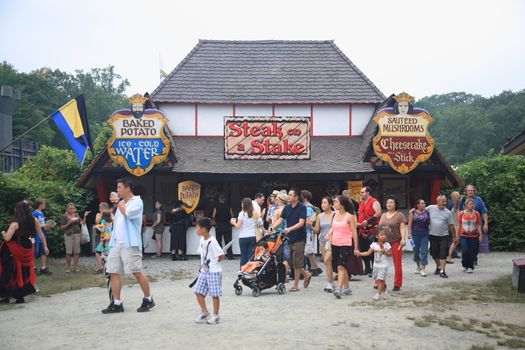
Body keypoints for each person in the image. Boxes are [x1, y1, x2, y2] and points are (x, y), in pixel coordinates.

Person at [101, 178, 155, 314]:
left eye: (119, 187)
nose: (117, 190)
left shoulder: (137, 201)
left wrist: (118, 203)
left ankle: (148, 299)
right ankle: (117, 303)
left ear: (128, 188)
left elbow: (129, 214)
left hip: (130, 243)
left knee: (136, 271)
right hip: (116, 242)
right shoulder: (121, 204)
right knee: (113, 271)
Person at [0, 201, 48, 303]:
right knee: (24, 271)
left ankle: (5, 295)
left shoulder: (15, 223)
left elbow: (7, 238)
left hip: (13, 249)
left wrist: (3, 233)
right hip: (27, 247)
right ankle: (19, 296)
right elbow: (41, 235)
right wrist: (45, 246)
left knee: (9, 271)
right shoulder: (34, 221)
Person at [272, 189, 311, 292]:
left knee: (297, 262)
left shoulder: (302, 207)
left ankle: (296, 285)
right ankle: (306, 274)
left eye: (290, 195)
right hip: (289, 238)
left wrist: (289, 229)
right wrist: (272, 228)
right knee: (291, 261)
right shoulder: (287, 208)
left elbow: (301, 223)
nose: (288, 196)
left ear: (296, 197)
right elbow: (280, 219)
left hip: (299, 238)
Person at [326, 195, 359, 298]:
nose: (334, 204)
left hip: (345, 243)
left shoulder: (349, 216)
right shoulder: (334, 215)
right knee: (340, 266)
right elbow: (332, 228)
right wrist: (329, 234)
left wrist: (356, 247)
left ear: (342, 204)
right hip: (334, 243)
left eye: (336, 202)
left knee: (341, 266)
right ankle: (347, 288)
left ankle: (339, 289)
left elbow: (354, 232)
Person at [193, 217, 224, 325]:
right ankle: (205, 312)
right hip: (204, 271)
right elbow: (202, 255)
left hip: (214, 272)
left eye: (197, 227)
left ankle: (216, 315)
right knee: (198, 291)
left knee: (214, 294)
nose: (195, 229)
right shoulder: (202, 240)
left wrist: (213, 263)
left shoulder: (213, 241)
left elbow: (221, 256)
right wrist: (201, 266)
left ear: (204, 229)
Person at [378, 196, 406, 291]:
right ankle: (379, 282)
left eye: (391, 202)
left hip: (395, 242)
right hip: (384, 242)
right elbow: (379, 228)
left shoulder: (400, 215)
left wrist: (403, 239)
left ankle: (397, 284)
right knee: (379, 262)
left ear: (395, 204)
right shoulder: (383, 215)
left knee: (397, 264)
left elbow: (402, 228)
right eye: (387, 202)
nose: (389, 204)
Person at [359, 226, 392, 301]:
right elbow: (368, 253)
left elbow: (391, 254)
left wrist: (385, 252)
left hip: (383, 265)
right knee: (380, 280)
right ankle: (384, 290)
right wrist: (360, 254)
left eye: (385, 235)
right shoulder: (374, 244)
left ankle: (378, 294)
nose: (384, 236)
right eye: (382, 235)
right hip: (376, 265)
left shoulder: (387, 245)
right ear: (377, 236)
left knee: (380, 280)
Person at [427, 195, 456, 279]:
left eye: (445, 201)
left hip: (444, 235)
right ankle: (438, 266)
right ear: (438, 201)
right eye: (443, 201)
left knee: (443, 253)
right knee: (434, 254)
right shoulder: (431, 208)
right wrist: (413, 210)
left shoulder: (448, 213)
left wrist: (454, 236)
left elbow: (451, 226)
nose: (445, 203)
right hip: (433, 235)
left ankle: (442, 271)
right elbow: (421, 211)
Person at [460, 184, 489, 265]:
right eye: (468, 190)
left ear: (474, 191)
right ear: (466, 192)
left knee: (474, 247)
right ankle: (466, 262)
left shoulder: (478, 200)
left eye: (471, 190)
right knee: (465, 247)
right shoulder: (462, 200)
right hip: (464, 227)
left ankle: (473, 259)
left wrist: (485, 224)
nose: (470, 192)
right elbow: (458, 211)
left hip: (476, 227)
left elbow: (484, 212)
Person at [357, 186, 382, 276]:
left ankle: (374, 269)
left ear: (368, 192)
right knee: (363, 249)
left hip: (372, 229)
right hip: (362, 230)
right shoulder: (361, 202)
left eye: (362, 192)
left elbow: (378, 213)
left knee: (372, 250)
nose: (361, 194)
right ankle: (367, 268)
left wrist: (367, 221)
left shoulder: (374, 202)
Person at [313, 196, 335, 292]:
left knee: (328, 261)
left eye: (325, 203)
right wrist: (310, 226)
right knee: (327, 263)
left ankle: (332, 282)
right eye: (322, 203)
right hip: (322, 241)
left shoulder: (335, 215)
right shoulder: (320, 216)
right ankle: (330, 282)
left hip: (332, 241)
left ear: (330, 204)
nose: (323, 205)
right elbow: (317, 230)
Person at [230, 198, 261, 266]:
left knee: (243, 256)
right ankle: (249, 271)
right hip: (253, 236)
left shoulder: (242, 214)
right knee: (250, 256)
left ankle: (242, 272)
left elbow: (238, 226)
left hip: (243, 237)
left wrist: (233, 222)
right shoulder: (254, 213)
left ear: (244, 205)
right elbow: (260, 223)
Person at [60, 203, 90, 273]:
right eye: (71, 208)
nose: (72, 210)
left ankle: (76, 268)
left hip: (77, 234)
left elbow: (82, 223)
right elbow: (61, 228)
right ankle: (68, 268)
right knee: (69, 252)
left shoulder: (76, 215)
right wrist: (69, 223)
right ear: (67, 209)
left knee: (76, 252)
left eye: (73, 208)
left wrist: (85, 216)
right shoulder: (64, 216)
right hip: (69, 235)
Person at [458, 198, 483, 273]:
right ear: (466, 205)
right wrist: (457, 235)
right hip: (464, 235)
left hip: (474, 235)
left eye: (472, 204)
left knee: (473, 251)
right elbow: (459, 225)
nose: (471, 206)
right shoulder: (461, 213)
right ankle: (464, 264)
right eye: (470, 204)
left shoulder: (476, 213)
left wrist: (480, 235)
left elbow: (478, 225)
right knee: (465, 250)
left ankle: (470, 266)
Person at [407, 199, 430, 277]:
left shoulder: (427, 212)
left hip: (425, 233)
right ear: (417, 205)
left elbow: (430, 222)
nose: (424, 204)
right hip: (415, 233)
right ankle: (418, 265)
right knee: (415, 251)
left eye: (424, 203)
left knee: (424, 250)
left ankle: (423, 269)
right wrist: (409, 234)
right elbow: (409, 224)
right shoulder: (413, 213)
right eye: (422, 203)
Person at [302, 190, 322, 276]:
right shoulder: (306, 207)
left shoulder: (308, 208)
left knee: (309, 250)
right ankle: (315, 268)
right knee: (309, 251)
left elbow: (307, 221)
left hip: (308, 232)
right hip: (307, 232)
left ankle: (314, 268)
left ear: (305, 198)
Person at [32, 198, 53, 275]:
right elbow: (35, 225)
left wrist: (47, 227)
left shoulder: (42, 213)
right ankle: (33, 268)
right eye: (44, 204)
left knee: (44, 251)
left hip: (43, 234)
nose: (45, 205)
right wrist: (45, 225)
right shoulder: (34, 213)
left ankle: (43, 267)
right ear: (40, 205)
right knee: (35, 252)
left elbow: (42, 225)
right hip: (37, 235)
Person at [272, 191, 290, 276]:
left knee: (280, 256)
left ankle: (282, 276)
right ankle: (286, 275)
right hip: (288, 233)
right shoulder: (289, 209)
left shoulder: (277, 211)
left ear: (279, 200)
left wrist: (271, 229)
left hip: (278, 235)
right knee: (286, 256)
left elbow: (274, 224)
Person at [212, 194, 234, 260]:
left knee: (219, 242)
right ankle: (230, 256)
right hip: (227, 226)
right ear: (224, 199)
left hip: (219, 226)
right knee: (228, 241)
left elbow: (213, 215)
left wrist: (216, 222)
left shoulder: (216, 206)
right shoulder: (228, 206)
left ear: (219, 199)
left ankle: (220, 256)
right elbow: (232, 215)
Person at [446, 191, 461, 263]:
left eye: (458, 195)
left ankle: (451, 255)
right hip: (455, 225)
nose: (459, 197)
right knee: (455, 240)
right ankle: (449, 256)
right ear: (453, 197)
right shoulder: (451, 204)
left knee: (455, 240)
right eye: (457, 196)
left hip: (457, 224)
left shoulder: (458, 204)